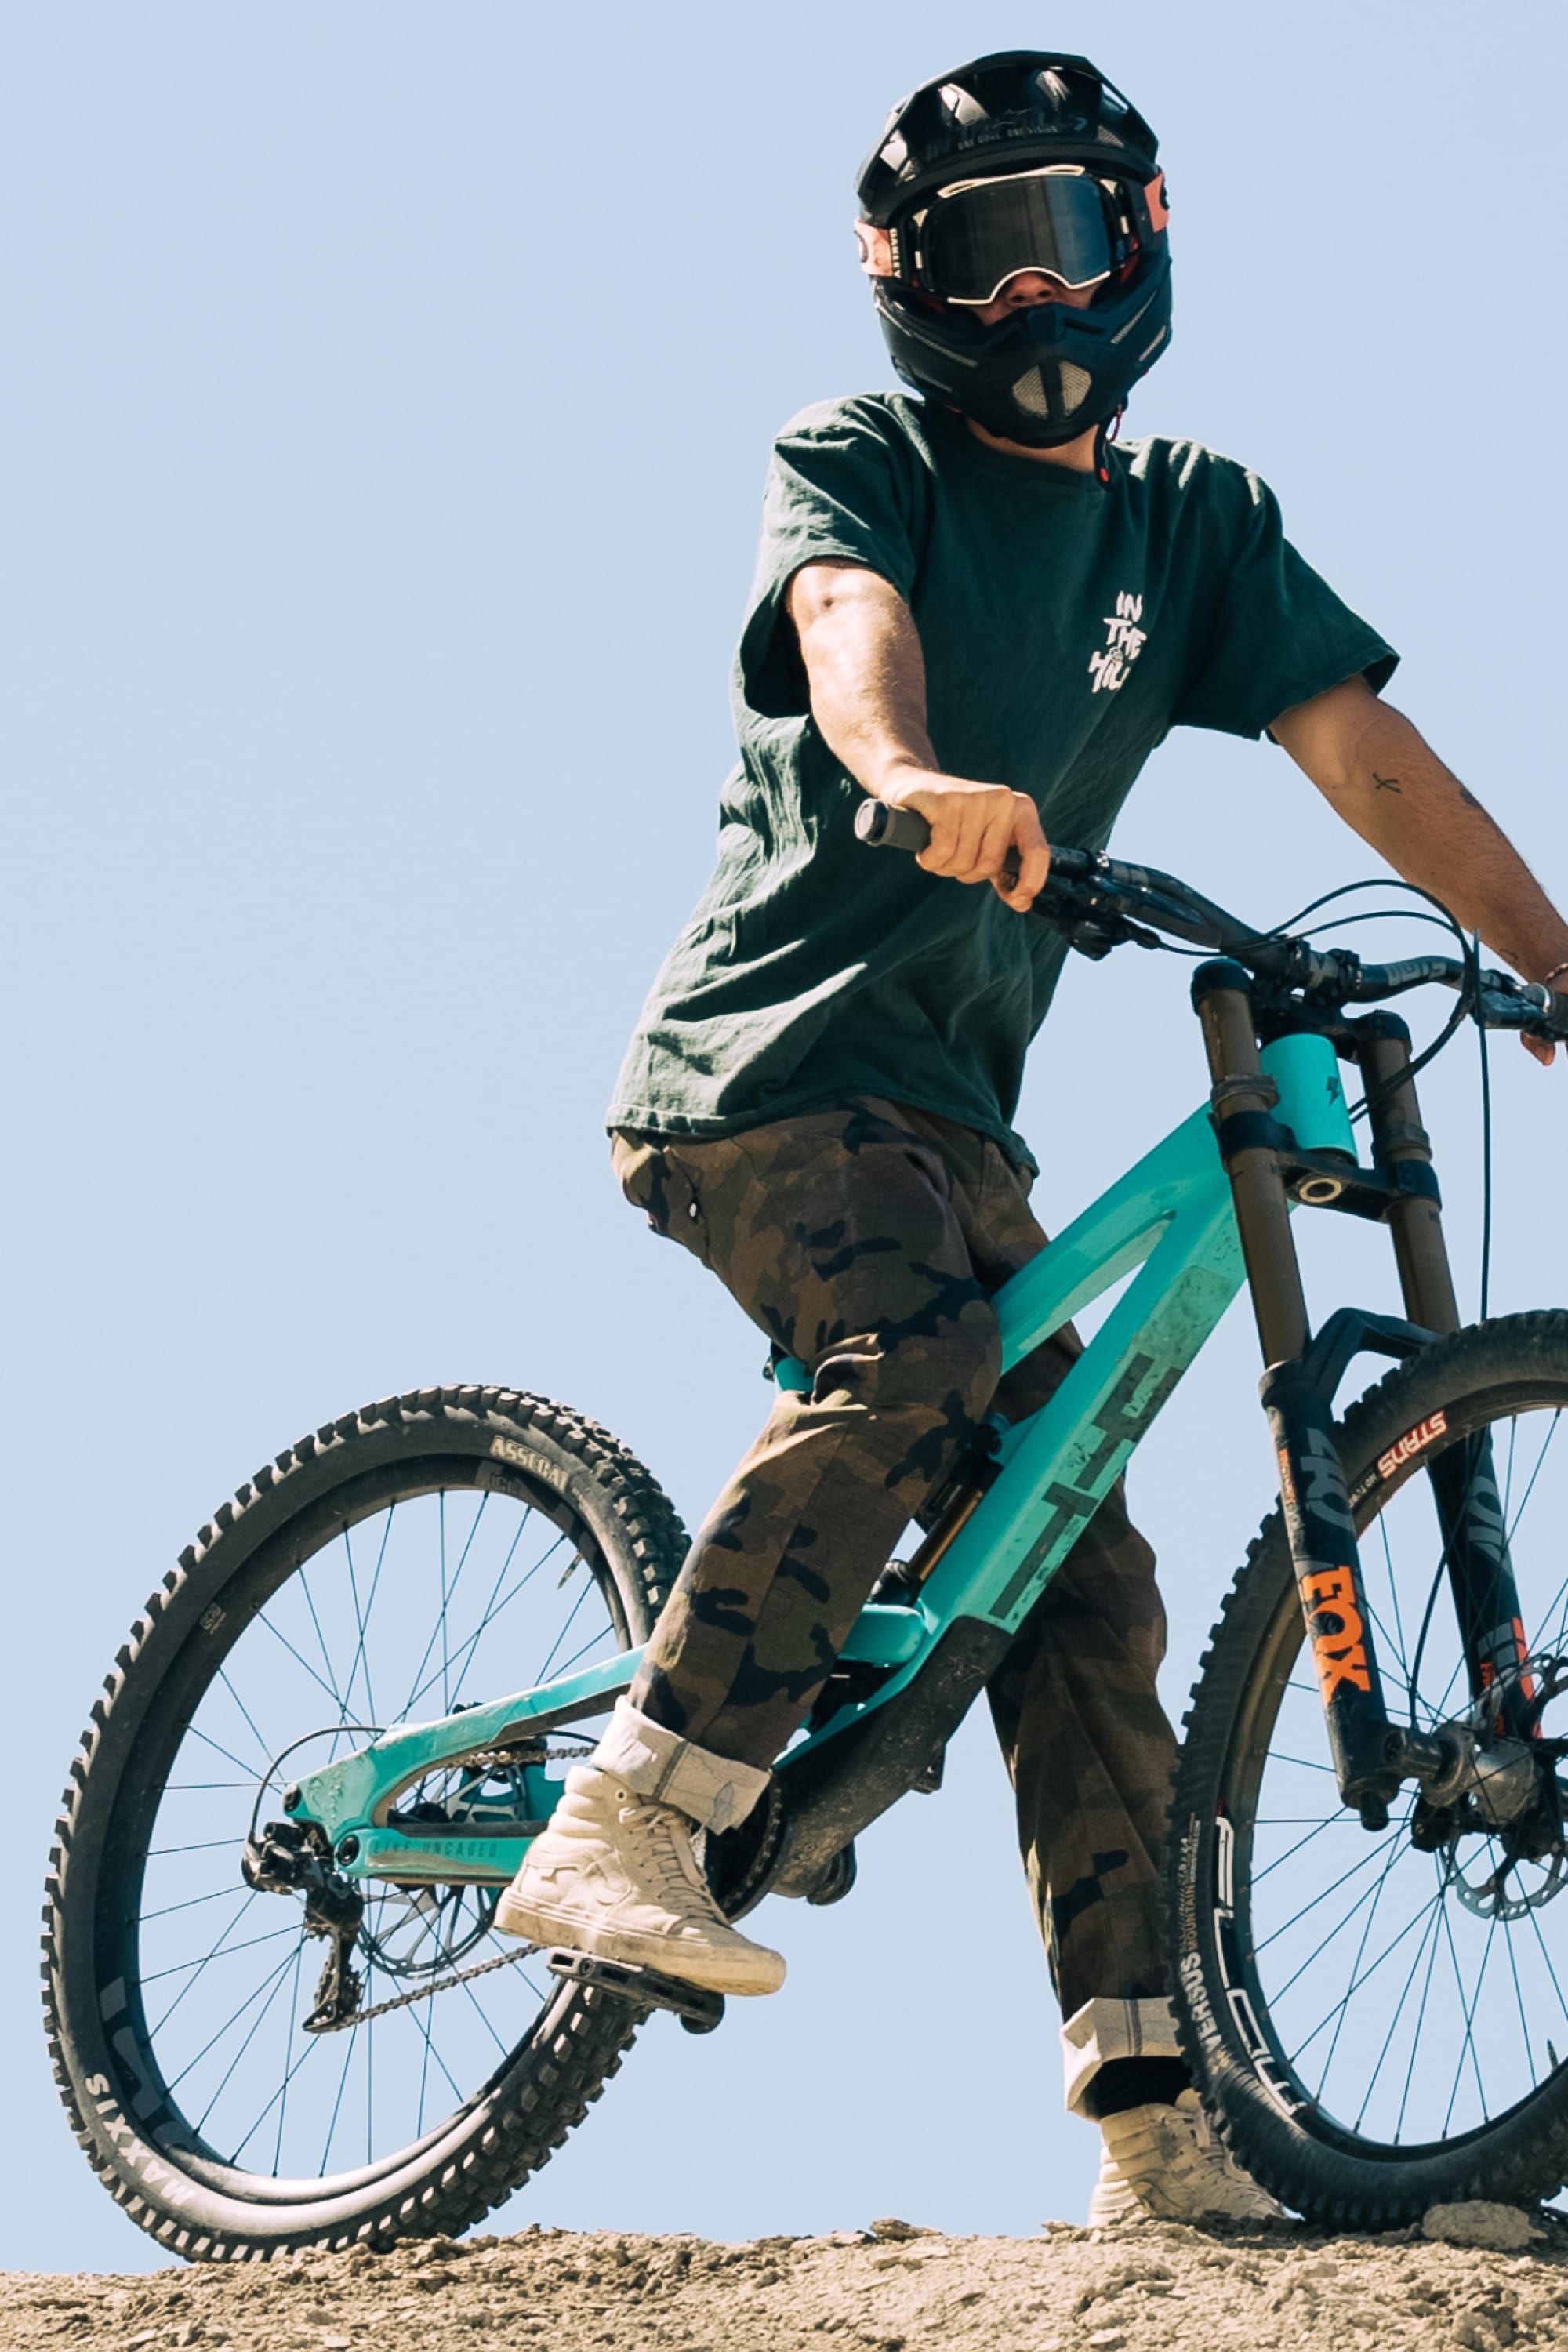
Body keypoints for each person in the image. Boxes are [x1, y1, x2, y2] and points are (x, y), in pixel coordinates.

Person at [498, 51, 1568, 2221]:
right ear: (912, 287)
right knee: (918, 1368)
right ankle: (629, 1805)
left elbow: (1358, 752)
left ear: (1139, 247)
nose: (1029, 304)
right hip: (775, 1077)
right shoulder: (863, 461)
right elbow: (844, 628)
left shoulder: (1192, 526)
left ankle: (1163, 2112)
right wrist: (899, 776)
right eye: (983, 262)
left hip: (952, 1127)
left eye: (1061, 243)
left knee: (1076, 1561)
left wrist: (1550, 951)